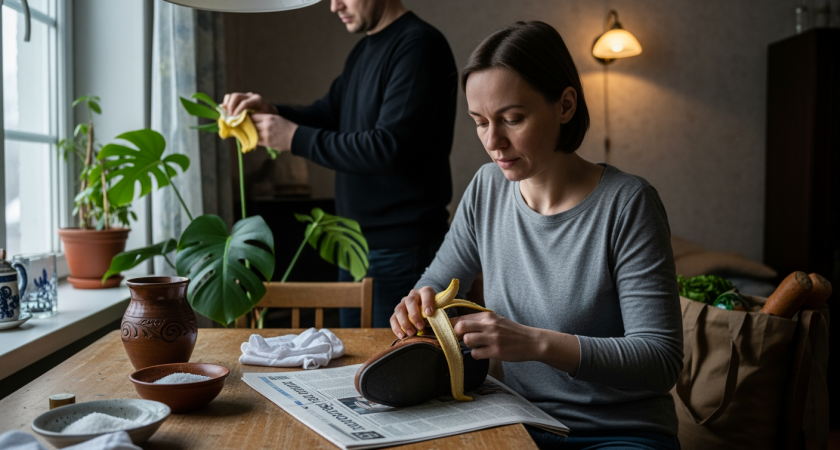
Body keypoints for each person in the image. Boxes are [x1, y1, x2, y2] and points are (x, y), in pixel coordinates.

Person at [390, 22, 683, 450]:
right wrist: (415, 305)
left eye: (512, 119)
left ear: (565, 105)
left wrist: (534, 342)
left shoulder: (628, 203)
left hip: (620, 433)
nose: (494, 141)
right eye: (480, 122)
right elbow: (434, 284)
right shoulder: (487, 188)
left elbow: (660, 360)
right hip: (519, 421)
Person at [223, 0, 457, 328]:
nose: (334, 6)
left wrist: (292, 138)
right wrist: (273, 112)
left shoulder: (419, 45)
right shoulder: (363, 51)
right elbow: (327, 115)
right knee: (357, 368)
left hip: (401, 250)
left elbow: (387, 147)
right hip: (358, 247)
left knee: (388, 369)